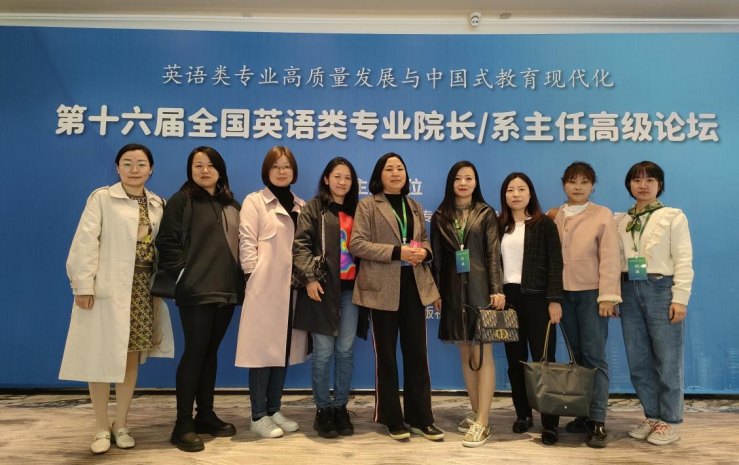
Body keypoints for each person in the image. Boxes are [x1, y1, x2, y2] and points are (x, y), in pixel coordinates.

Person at [60, 143, 175, 454]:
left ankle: (121, 424)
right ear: (117, 167)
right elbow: (85, 242)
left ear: (151, 169)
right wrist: (83, 286)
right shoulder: (102, 198)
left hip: (142, 291)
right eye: (127, 163)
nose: (134, 169)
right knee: (99, 357)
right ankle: (100, 426)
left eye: (141, 164)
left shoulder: (158, 203)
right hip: (106, 290)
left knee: (129, 357)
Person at [156, 146, 244, 452]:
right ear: (190, 170)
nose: (204, 170)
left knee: (210, 353)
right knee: (194, 353)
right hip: (196, 290)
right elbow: (166, 242)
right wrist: (184, 276)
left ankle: (205, 415)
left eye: (210, 165)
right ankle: (182, 424)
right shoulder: (181, 200)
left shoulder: (232, 204)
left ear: (220, 171)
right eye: (198, 165)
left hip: (227, 290)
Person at [351, 152, 443, 441]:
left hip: (414, 284)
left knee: (417, 354)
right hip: (381, 287)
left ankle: (421, 418)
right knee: (387, 357)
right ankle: (391, 418)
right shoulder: (368, 205)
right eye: (389, 169)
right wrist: (397, 252)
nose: (395, 173)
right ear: (379, 175)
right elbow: (357, 244)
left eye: (400, 168)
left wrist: (424, 252)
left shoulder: (413, 205)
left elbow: (424, 240)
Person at [615, 161, 693, 446]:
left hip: (661, 289)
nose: (643, 185)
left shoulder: (672, 216)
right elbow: (613, 260)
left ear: (660, 185)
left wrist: (680, 298)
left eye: (650, 180)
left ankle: (670, 421)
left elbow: (684, 259)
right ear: (629, 185)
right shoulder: (621, 220)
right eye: (637, 180)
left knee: (668, 358)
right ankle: (652, 415)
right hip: (628, 289)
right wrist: (613, 294)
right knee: (638, 359)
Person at [236, 146, 311, 439]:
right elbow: (246, 240)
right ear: (267, 170)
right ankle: (258, 416)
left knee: (282, 350)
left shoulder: (300, 205)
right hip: (264, 287)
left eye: (287, 166)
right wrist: (252, 276)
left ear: (294, 171)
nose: (282, 171)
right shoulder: (255, 201)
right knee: (261, 352)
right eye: (276, 166)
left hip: (292, 289)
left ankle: (273, 409)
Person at [547, 162, 621, 448]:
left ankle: (598, 420)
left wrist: (608, 296)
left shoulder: (602, 214)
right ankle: (583, 412)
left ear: (592, 186)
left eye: (584, 182)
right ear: (563, 184)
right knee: (576, 357)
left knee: (594, 356)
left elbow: (610, 257)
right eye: (572, 181)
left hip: (592, 295)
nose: (578, 186)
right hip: (563, 294)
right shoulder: (555, 215)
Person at [430, 161, 504, 448]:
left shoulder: (486, 213)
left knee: (482, 355)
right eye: (458, 178)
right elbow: (437, 259)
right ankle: (475, 412)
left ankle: (484, 422)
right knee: (466, 354)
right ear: (451, 182)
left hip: (480, 289)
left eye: (469, 178)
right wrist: (436, 292)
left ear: (476, 182)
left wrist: (496, 289)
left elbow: (493, 254)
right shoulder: (440, 216)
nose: (463, 183)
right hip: (452, 292)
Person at [293, 157, 365, 438]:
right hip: (322, 288)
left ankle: (340, 407)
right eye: (337, 176)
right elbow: (301, 245)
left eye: (347, 177)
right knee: (323, 353)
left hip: (351, 291)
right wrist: (310, 278)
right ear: (326, 179)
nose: (342, 182)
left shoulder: (359, 209)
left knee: (345, 352)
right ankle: (323, 409)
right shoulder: (314, 208)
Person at [498, 172, 563, 445]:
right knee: (516, 363)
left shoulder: (544, 224)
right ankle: (523, 414)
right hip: (508, 300)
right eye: (510, 190)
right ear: (504, 195)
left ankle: (550, 422)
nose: (516, 194)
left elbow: (555, 263)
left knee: (544, 361)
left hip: (538, 300)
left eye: (521, 189)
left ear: (530, 193)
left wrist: (554, 299)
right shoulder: (498, 225)